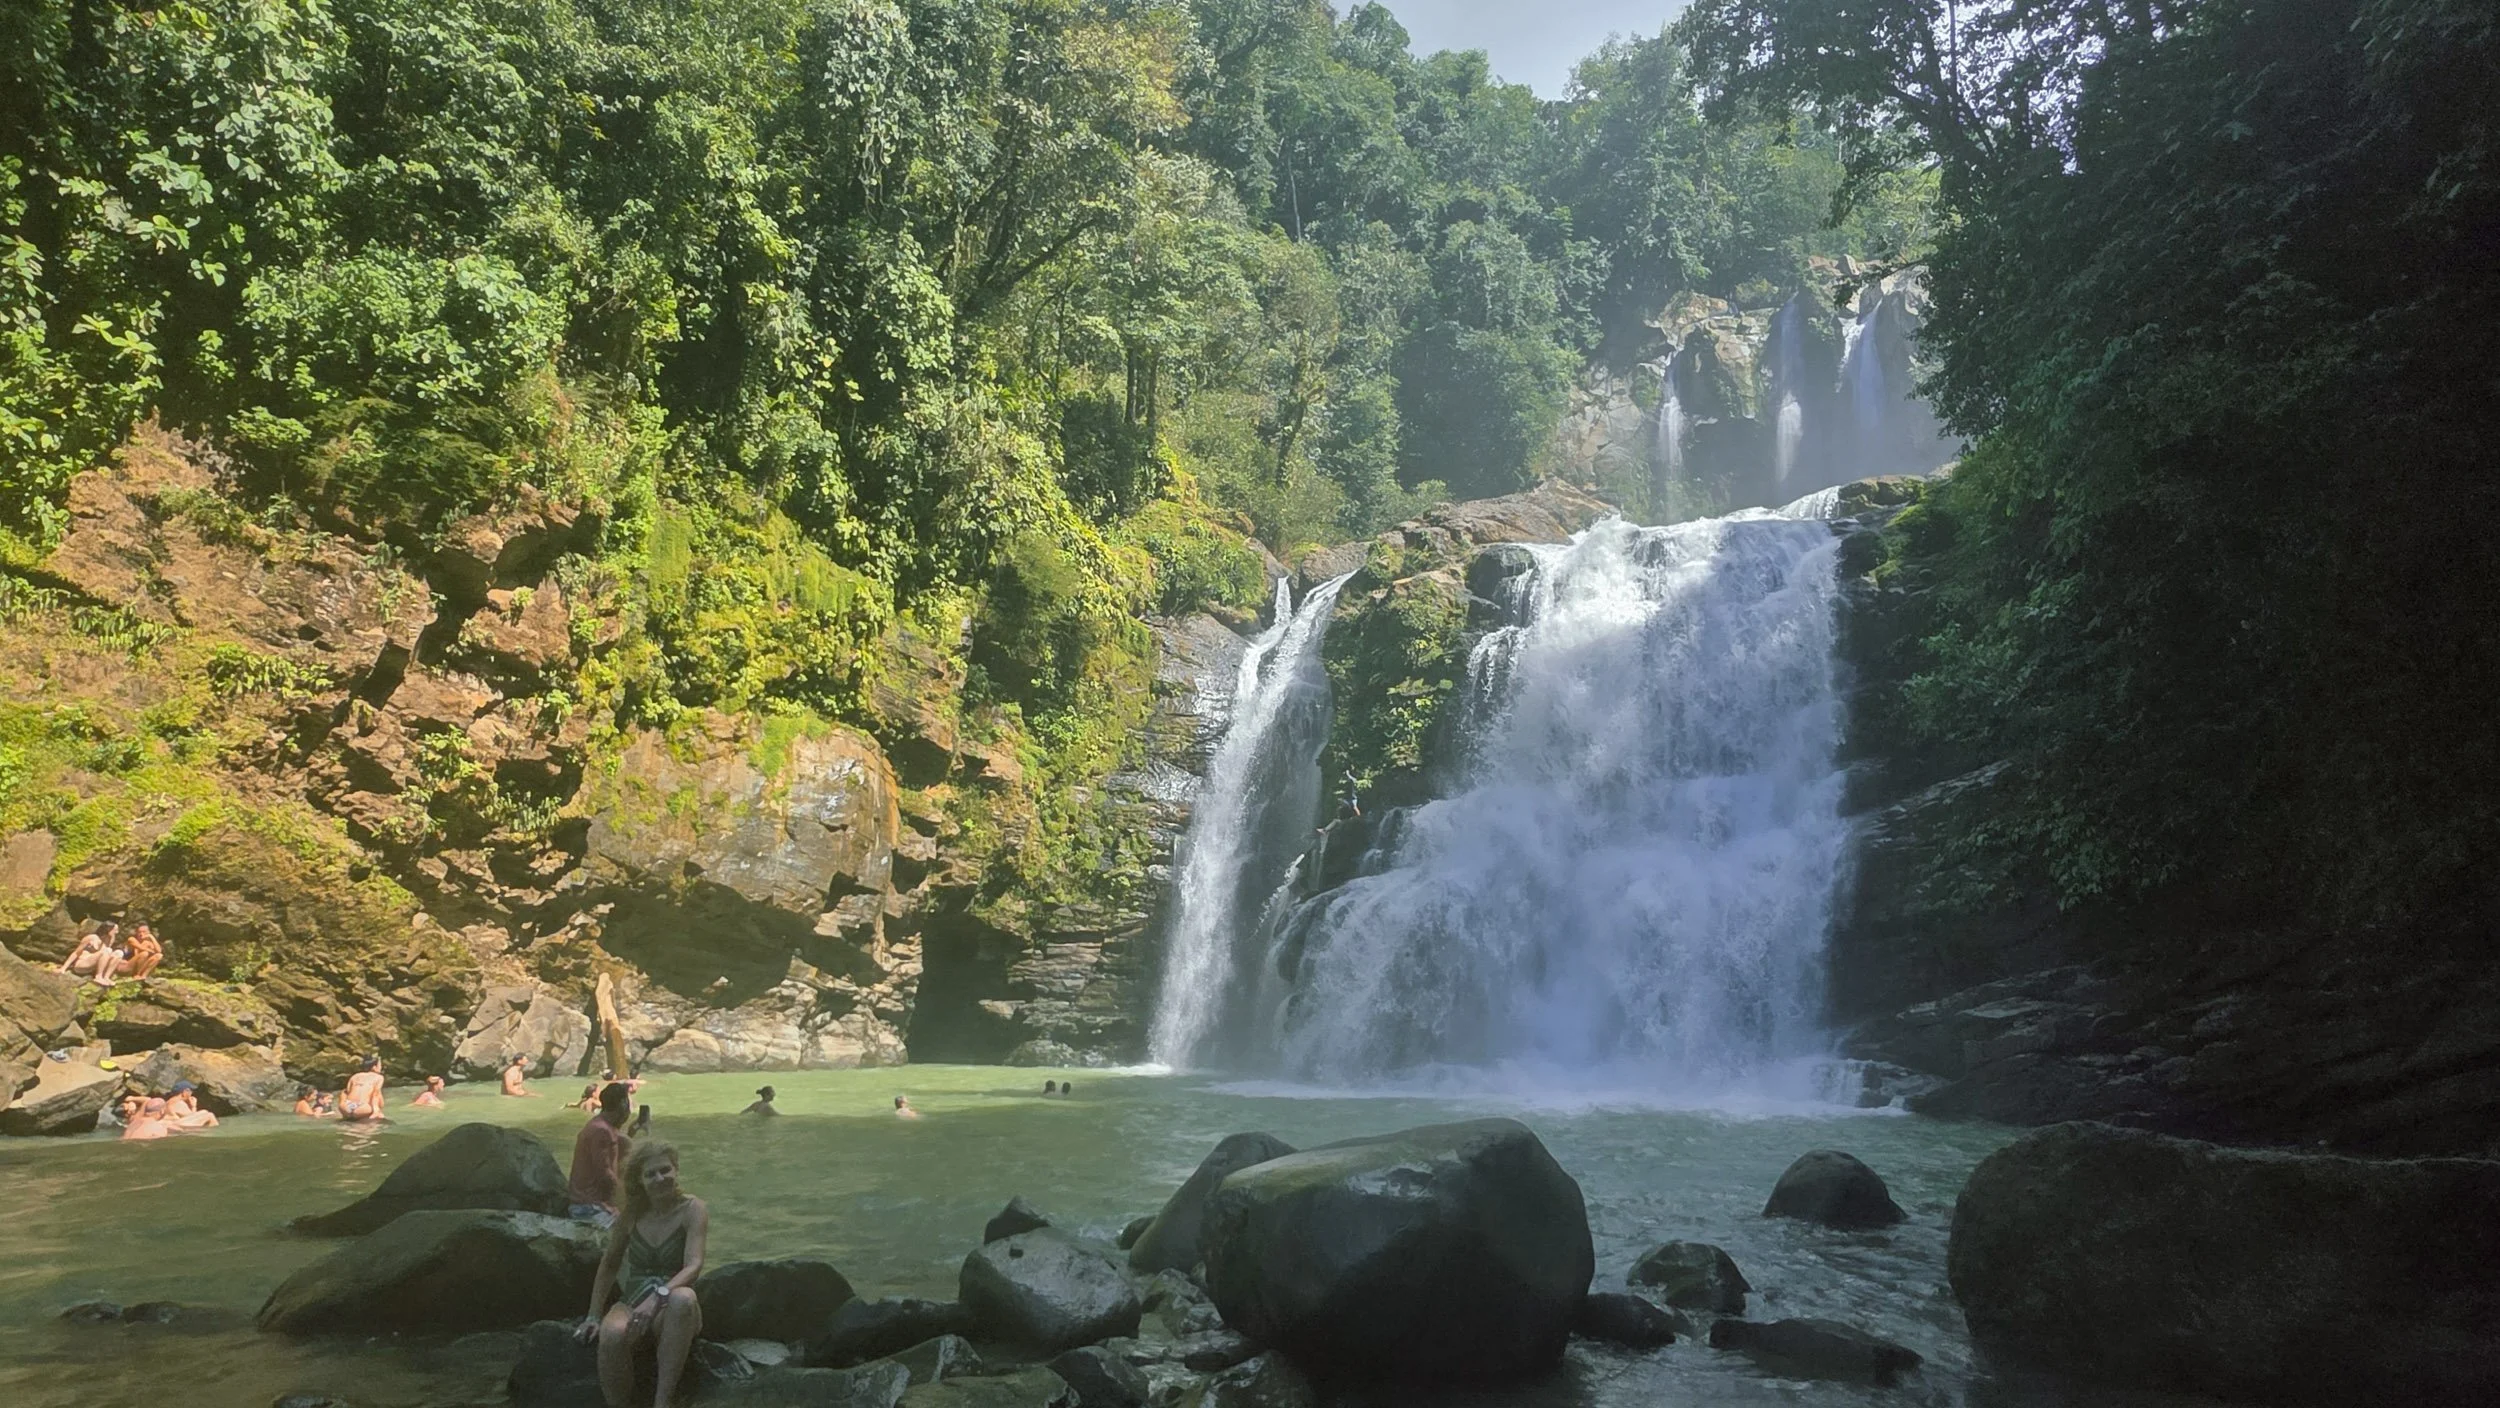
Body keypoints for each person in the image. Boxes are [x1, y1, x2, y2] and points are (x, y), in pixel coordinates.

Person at [576, 1140, 708, 1408]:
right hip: (632, 1302)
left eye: (665, 1170)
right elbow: (609, 1264)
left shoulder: (693, 1209)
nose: (660, 1178)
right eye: (650, 1174)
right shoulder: (631, 1215)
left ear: (676, 1170)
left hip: (672, 1309)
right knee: (612, 1335)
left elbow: (694, 1265)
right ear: (640, 1181)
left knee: (683, 1298)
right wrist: (593, 1315)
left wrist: (658, 1297)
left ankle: (662, 1401)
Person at [567, 1082, 634, 1228]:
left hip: (593, 1204)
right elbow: (604, 1173)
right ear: (622, 1105)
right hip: (588, 1207)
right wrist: (626, 1198)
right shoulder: (601, 1131)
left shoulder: (602, 1126)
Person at [341, 1056, 386, 1121]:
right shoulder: (378, 1077)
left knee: (344, 1092)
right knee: (378, 1092)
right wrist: (376, 1110)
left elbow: (348, 1091)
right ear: (374, 1067)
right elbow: (375, 1094)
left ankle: (347, 1116)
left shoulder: (355, 1076)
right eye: (380, 1065)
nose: (381, 1067)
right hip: (362, 1108)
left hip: (346, 1107)